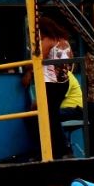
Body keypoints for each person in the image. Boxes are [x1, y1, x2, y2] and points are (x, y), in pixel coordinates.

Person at [21, 17, 74, 158]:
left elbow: (37, 59)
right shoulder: (65, 42)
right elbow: (71, 62)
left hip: (49, 83)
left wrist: (26, 67)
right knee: (52, 115)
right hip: (63, 82)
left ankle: (51, 149)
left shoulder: (48, 40)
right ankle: (61, 149)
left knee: (45, 116)